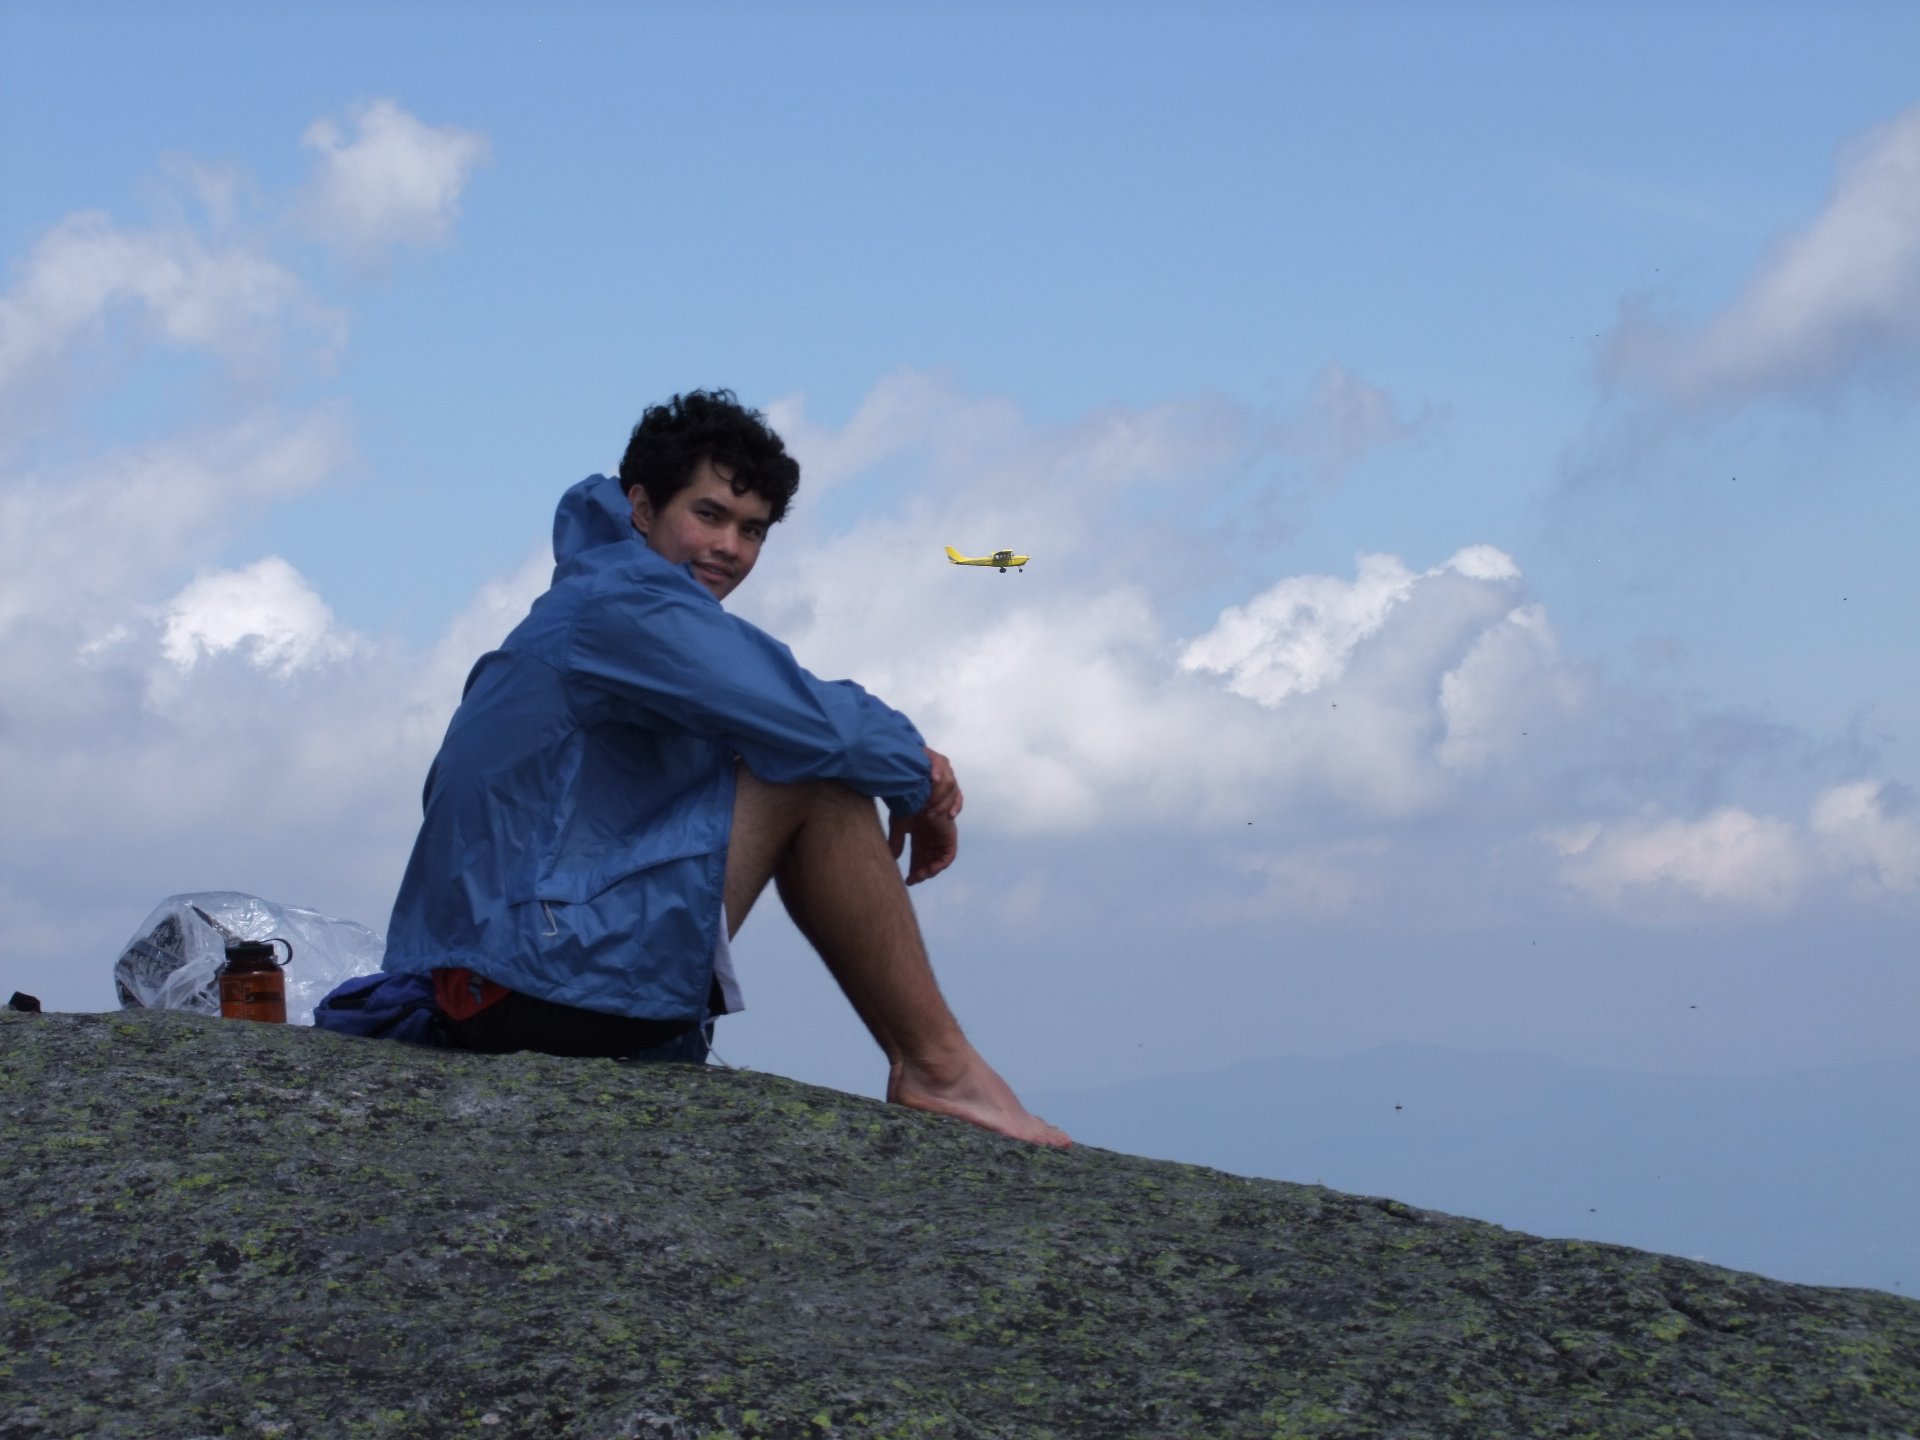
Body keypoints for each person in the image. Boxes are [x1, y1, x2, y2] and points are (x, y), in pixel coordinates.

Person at [381, 389, 1067, 1147]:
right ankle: (940, 1069)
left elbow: (771, 714)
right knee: (818, 779)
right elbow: (806, 715)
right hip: (530, 983)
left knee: (785, 753)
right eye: (708, 515)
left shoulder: (604, 594)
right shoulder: (625, 604)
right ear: (643, 506)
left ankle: (934, 1067)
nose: (730, 548)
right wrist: (920, 777)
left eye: (752, 530)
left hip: (499, 973)